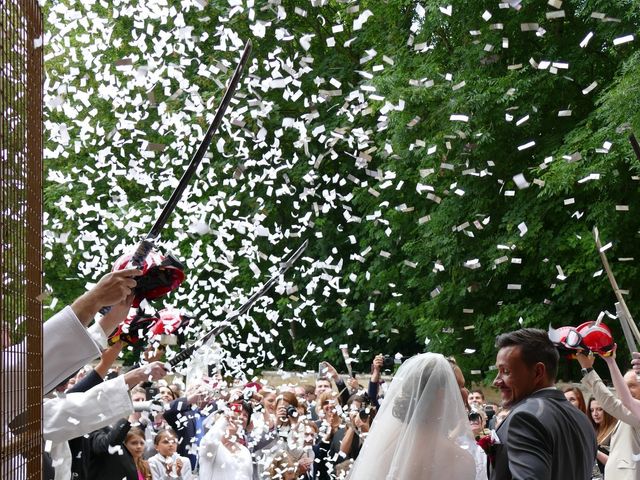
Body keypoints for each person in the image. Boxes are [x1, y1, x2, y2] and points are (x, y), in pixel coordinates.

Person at [348, 353, 482, 479]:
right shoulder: (458, 459)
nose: (466, 393)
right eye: (461, 386)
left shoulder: (386, 446)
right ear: (442, 395)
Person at [491, 328, 596, 480]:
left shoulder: (525, 418)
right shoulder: (582, 419)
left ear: (538, 372)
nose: (496, 381)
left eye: (506, 371)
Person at [577, 349, 640, 479]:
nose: (626, 390)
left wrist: (588, 369)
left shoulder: (635, 412)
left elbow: (609, 402)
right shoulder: (627, 415)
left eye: (632, 385)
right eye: (624, 385)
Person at [588, 397, 619, 475]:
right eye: (592, 410)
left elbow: (615, 463)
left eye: (599, 409)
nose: (595, 414)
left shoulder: (615, 430)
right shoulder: (593, 429)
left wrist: (595, 451)